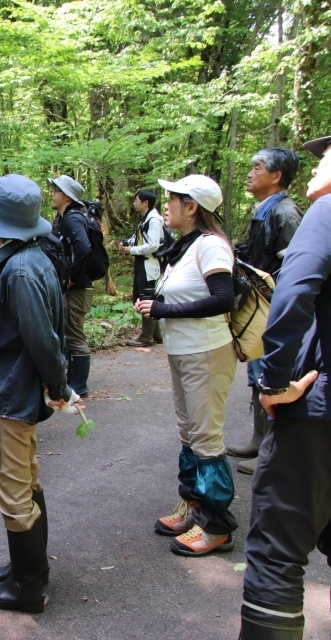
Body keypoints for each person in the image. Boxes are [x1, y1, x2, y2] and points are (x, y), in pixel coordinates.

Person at [0, 175, 80, 613]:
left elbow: (42, 338)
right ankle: (25, 570)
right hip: (14, 395)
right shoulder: (27, 258)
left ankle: (28, 586)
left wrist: (60, 385)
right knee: (27, 484)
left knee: (15, 494)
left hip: (6, 399)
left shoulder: (18, 269)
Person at [238, 134, 331, 640]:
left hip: (317, 411)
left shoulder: (322, 211)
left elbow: (294, 289)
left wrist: (274, 380)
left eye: (327, 154)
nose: (318, 164)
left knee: (278, 551)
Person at [134, 175, 238, 557]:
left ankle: (217, 526)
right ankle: (193, 506)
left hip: (206, 352)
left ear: (191, 206)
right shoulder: (186, 246)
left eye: (173, 200)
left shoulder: (211, 245)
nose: (168, 206)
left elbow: (222, 299)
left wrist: (163, 309)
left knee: (206, 437)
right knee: (189, 433)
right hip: (183, 353)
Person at [228, 148, 303, 476]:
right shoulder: (264, 210)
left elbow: (296, 267)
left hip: (272, 307)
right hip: (259, 306)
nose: (249, 173)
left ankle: (272, 450)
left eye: (256, 167)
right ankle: (259, 439)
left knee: (271, 377)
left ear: (276, 176)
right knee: (256, 375)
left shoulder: (285, 214)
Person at [49, 175, 94, 397]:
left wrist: (73, 277)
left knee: (75, 335)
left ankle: (79, 386)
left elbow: (83, 248)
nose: (51, 194)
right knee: (70, 332)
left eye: (55, 190)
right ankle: (72, 381)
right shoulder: (68, 217)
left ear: (66, 196)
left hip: (78, 287)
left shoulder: (72, 218)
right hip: (76, 287)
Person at [120, 189, 165, 346]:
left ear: (145, 203)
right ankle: (156, 334)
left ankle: (146, 336)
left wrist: (131, 250)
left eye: (136, 200)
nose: (134, 203)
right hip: (142, 262)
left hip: (149, 263)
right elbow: (139, 237)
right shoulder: (145, 219)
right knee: (144, 296)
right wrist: (127, 243)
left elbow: (153, 245)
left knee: (147, 298)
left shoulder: (153, 220)